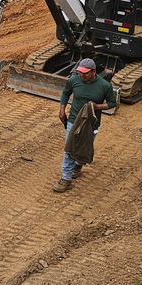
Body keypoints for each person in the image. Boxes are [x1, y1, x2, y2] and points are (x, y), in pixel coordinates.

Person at [53, 58, 117, 193]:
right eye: (80, 72)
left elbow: (112, 103)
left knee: (84, 147)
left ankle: (78, 164)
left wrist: (97, 106)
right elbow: (65, 93)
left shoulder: (104, 85)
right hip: (73, 120)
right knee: (69, 149)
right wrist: (61, 109)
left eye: (85, 73)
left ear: (93, 72)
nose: (82, 75)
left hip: (91, 123)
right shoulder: (74, 80)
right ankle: (66, 179)